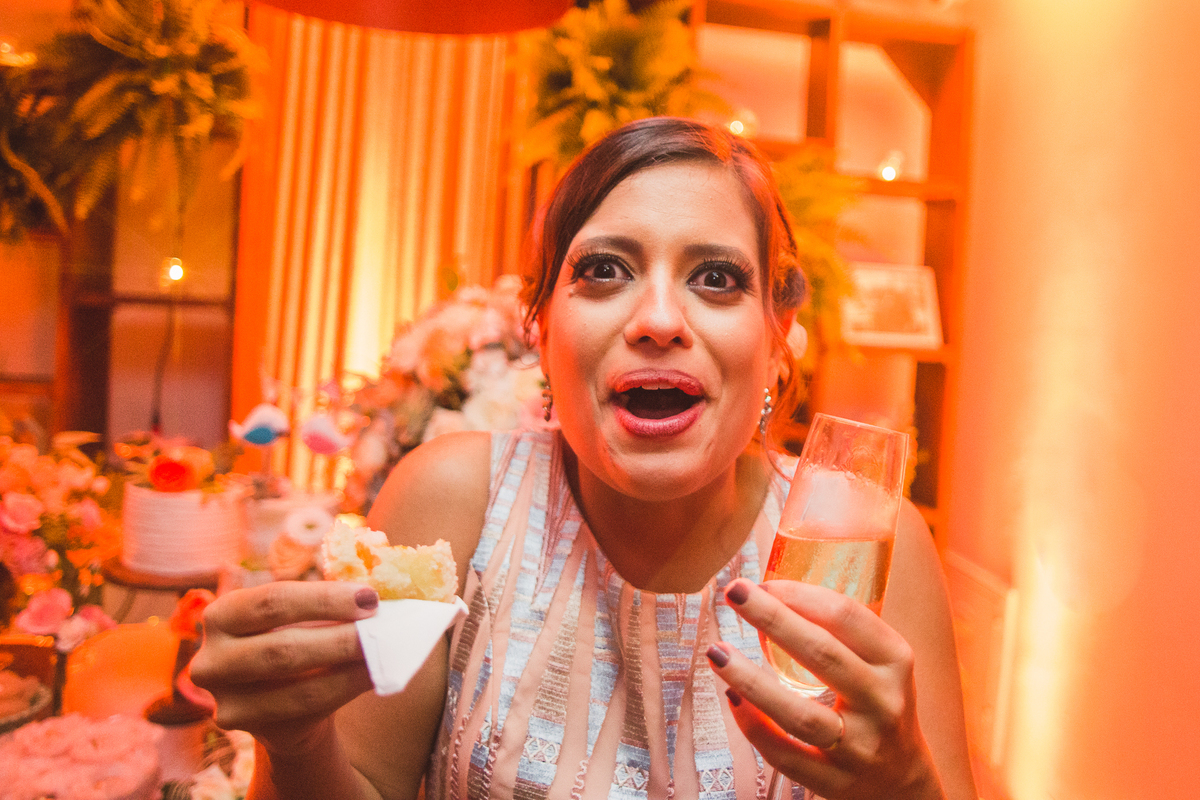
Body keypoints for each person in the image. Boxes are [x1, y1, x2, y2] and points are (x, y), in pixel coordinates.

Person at [191, 117, 976, 800]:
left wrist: (907, 787)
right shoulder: (451, 501)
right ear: (538, 328)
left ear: (777, 339)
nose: (659, 319)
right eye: (604, 269)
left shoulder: (871, 547)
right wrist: (295, 742)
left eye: (716, 277)